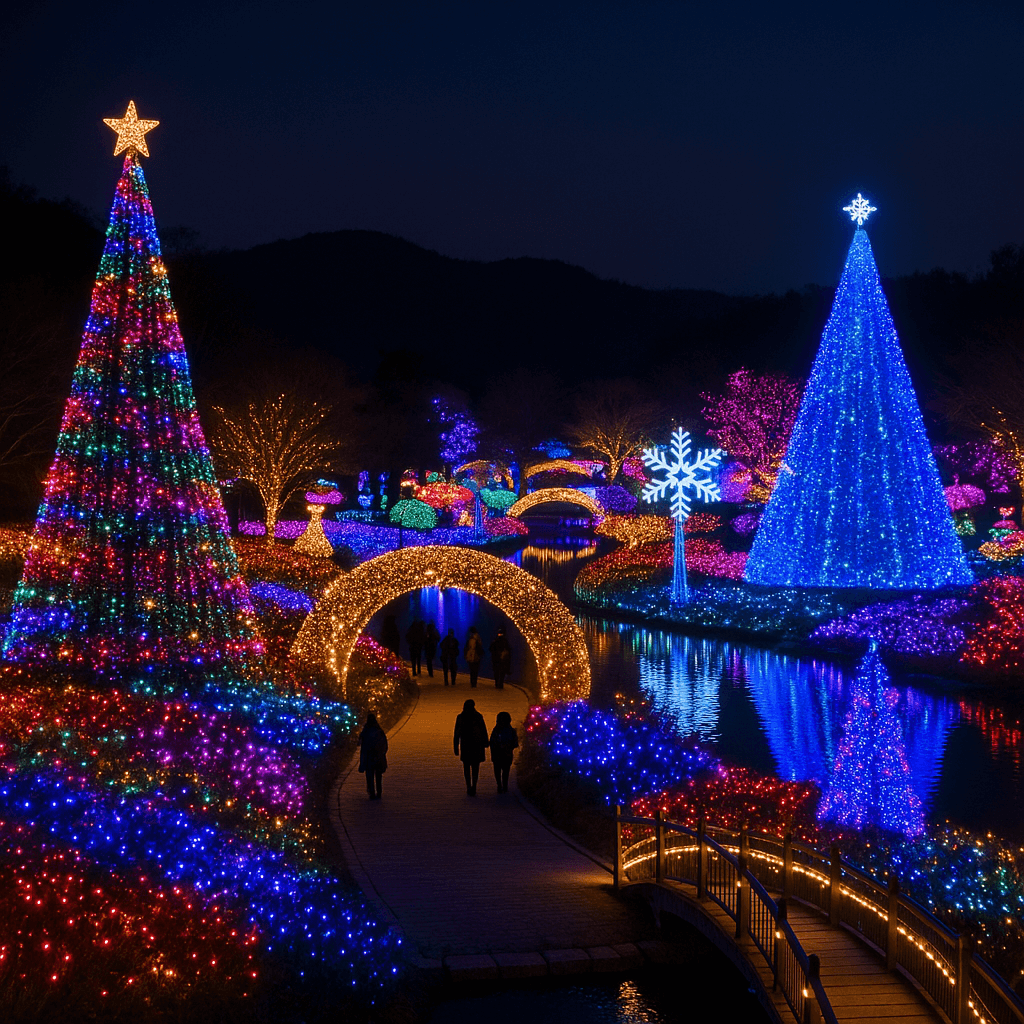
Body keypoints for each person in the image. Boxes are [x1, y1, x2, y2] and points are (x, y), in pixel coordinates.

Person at [453, 699, 489, 795]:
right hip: (476, 745)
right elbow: (483, 730)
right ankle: (473, 786)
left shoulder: (461, 717)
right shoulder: (478, 716)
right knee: (475, 767)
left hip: (466, 745)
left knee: (467, 767)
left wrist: (456, 746)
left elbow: (457, 733)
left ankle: (469, 786)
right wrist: (485, 742)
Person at [358, 712, 388, 800]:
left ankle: (372, 792)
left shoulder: (366, 731)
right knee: (378, 775)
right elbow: (384, 744)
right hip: (378, 756)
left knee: (370, 776)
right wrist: (382, 753)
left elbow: (360, 743)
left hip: (368, 757)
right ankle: (379, 792)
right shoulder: (379, 730)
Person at [489, 711, 519, 793]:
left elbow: (492, 742)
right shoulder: (511, 731)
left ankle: (500, 785)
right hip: (506, 754)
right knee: (505, 771)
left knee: (498, 770)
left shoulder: (496, 730)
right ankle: (503, 785)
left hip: (498, 754)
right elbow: (515, 743)